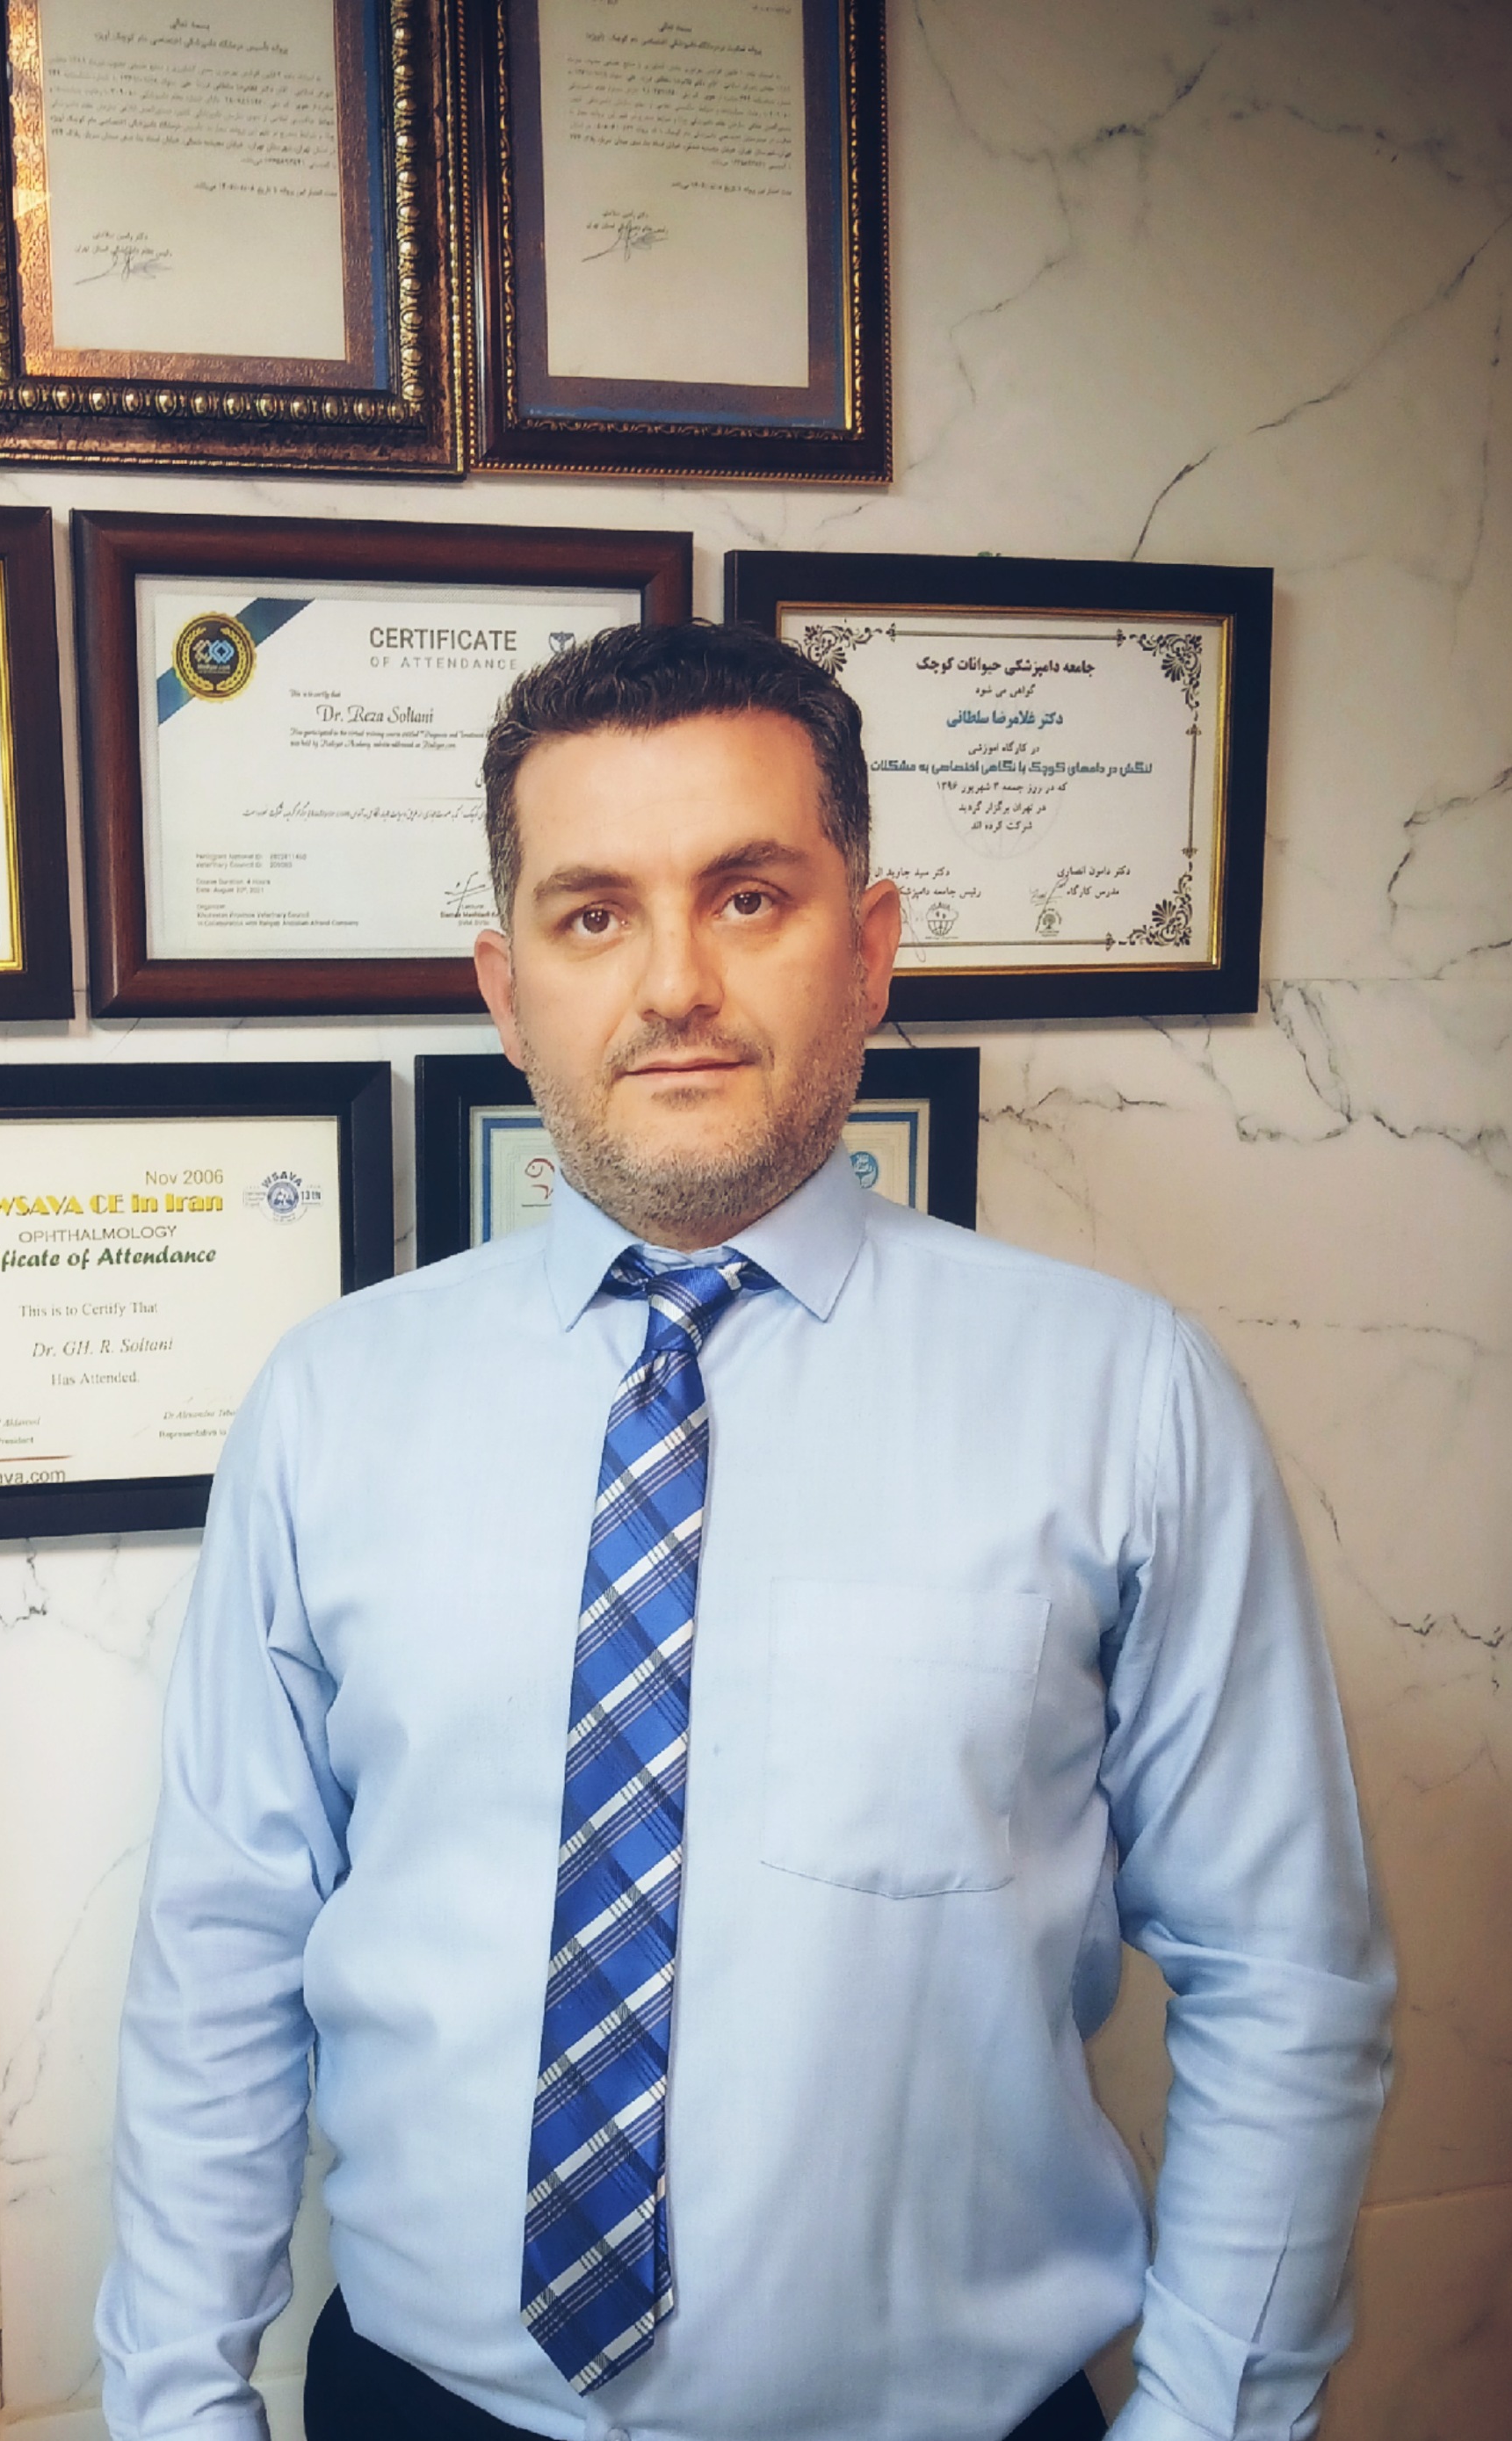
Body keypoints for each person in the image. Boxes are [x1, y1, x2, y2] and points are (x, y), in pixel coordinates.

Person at [94, 622, 1393, 2441]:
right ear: (507, 988)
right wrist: (176, 2409)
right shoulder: (331, 1406)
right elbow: (219, 1961)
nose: (675, 984)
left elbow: (1289, 1978)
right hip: (423, 2411)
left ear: (869, 948)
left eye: (750, 896)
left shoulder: (1123, 1398)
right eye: (593, 914)